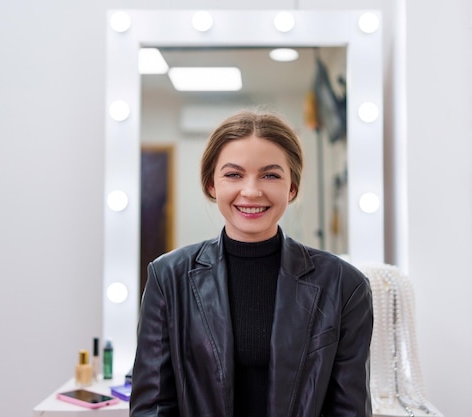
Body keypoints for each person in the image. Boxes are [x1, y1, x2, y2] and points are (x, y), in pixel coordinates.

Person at [130, 110, 373, 417]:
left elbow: (348, 410)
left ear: (292, 188)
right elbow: (152, 408)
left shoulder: (344, 285)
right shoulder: (168, 278)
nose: (251, 191)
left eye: (270, 175)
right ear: (211, 185)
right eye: (233, 174)